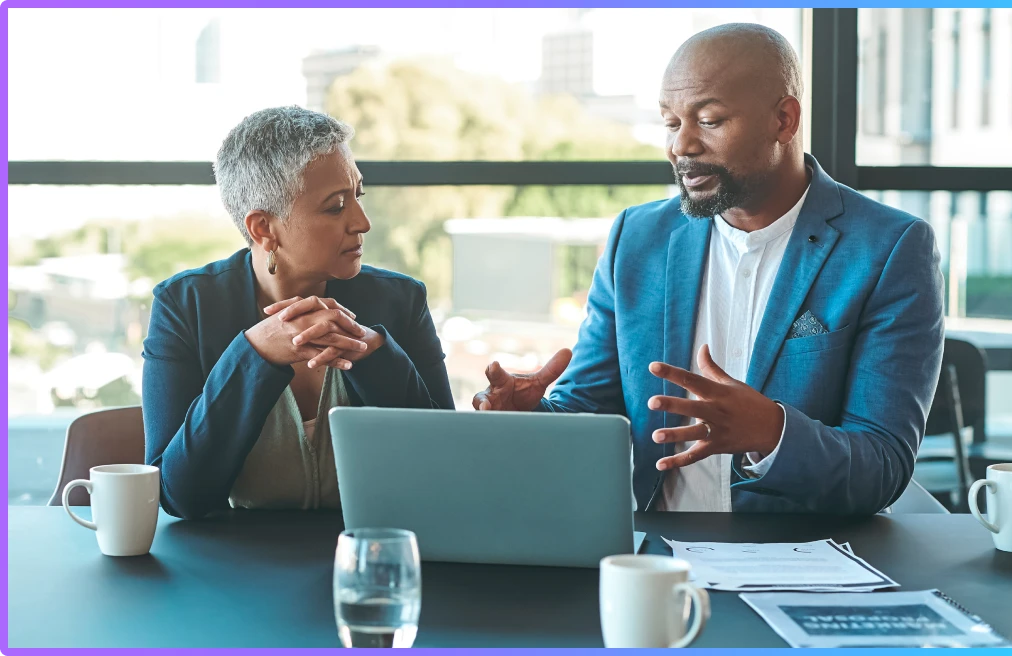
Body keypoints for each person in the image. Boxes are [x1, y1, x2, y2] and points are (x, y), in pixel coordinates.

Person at [473, 24, 944, 514]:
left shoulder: (890, 248)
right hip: (654, 555)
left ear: (784, 120)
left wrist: (772, 433)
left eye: (710, 120)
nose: (682, 146)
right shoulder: (635, 239)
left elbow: (884, 465)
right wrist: (530, 420)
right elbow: (589, 411)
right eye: (671, 123)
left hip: (805, 561)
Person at [143, 107, 454, 519]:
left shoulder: (402, 301)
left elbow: (445, 467)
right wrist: (254, 355)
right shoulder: (184, 307)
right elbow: (178, 495)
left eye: (357, 196)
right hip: (233, 568)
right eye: (335, 207)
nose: (362, 222)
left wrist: (376, 354)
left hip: (371, 554)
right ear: (263, 229)